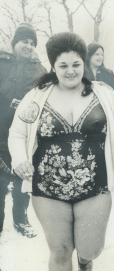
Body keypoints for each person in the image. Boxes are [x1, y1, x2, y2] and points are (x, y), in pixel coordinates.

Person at [8, 32, 114, 271]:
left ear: (84, 63)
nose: (70, 71)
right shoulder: (37, 95)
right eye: (62, 66)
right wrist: (19, 159)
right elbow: (17, 134)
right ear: (53, 66)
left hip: (94, 184)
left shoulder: (102, 93)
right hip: (47, 187)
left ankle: (86, 260)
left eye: (75, 64)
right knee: (60, 249)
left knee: (90, 246)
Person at [0, 23, 46, 238]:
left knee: (23, 179)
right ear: (14, 43)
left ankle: (21, 219)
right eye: (23, 42)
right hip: (0, 133)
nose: (28, 46)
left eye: (31, 43)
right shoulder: (2, 63)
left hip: (25, 137)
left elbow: (44, 100)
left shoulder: (39, 69)